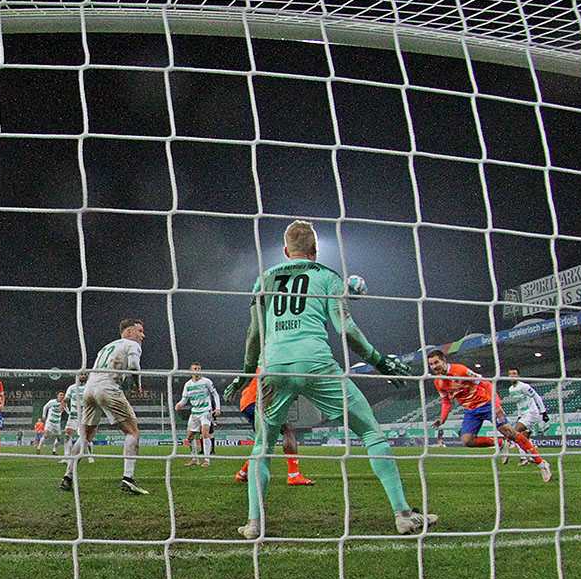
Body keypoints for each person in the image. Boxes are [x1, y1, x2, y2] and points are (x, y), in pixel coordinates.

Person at [223, 219, 435, 539]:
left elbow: (254, 333)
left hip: (273, 366)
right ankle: (403, 516)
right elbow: (346, 329)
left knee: (262, 446)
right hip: (315, 362)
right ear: (315, 249)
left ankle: (254, 524)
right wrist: (379, 361)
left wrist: (244, 374)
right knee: (370, 432)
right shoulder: (326, 276)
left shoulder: (264, 278)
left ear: (286, 251)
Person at [427, 349, 551, 482]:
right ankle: (501, 443)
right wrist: (442, 419)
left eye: (436, 362)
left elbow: (486, 383)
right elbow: (446, 401)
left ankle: (541, 463)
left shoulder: (461, 370)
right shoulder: (438, 382)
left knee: (511, 433)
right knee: (467, 440)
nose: (434, 366)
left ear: (443, 361)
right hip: (470, 411)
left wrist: (496, 404)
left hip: (487, 404)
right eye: (431, 364)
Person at [60, 318, 148, 495]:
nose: (143, 335)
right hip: (108, 387)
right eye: (139, 331)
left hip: (89, 389)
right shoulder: (132, 345)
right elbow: (133, 365)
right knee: (132, 432)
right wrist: (138, 384)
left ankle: (67, 477)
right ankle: (128, 478)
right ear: (128, 332)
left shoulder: (106, 347)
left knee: (86, 436)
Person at [234, 376, 314, 485]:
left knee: (264, 442)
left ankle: (243, 473)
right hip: (259, 401)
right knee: (287, 429)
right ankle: (293, 475)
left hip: (248, 402)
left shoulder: (262, 367)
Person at [176, 363, 221, 468]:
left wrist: (218, 408)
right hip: (195, 412)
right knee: (190, 436)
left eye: (199, 369)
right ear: (191, 371)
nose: (197, 370)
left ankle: (207, 460)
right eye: (195, 369)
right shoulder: (188, 384)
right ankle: (195, 459)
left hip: (206, 411)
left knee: (205, 433)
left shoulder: (206, 381)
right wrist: (179, 404)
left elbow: (215, 394)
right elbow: (185, 398)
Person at [502, 367, 550, 466]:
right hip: (524, 414)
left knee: (514, 432)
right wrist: (519, 415)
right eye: (510, 374)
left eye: (514, 374)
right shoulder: (511, 389)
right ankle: (530, 458)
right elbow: (519, 403)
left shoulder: (524, 386)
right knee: (525, 438)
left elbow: (536, 396)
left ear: (518, 376)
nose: (512, 376)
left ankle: (508, 445)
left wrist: (543, 412)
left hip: (532, 413)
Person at [63, 373, 93, 462]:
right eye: (81, 374)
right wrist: (67, 410)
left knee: (86, 437)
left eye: (84, 375)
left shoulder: (89, 387)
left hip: (85, 416)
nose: (83, 376)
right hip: (74, 416)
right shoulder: (71, 388)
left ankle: (90, 456)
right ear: (77, 376)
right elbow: (66, 400)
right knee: (67, 435)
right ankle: (66, 457)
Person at [38, 391, 65, 456]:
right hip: (50, 422)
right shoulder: (52, 402)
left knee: (59, 438)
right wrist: (44, 415)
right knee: (46, 435)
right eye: (60, 395)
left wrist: (69, 413)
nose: (62, 396)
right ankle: (38, 448)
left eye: (63, 395)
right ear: (57, 395)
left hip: (57, 423)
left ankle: (54, 450)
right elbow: (45, 407)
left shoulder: (63, 403)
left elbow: (66, 409)